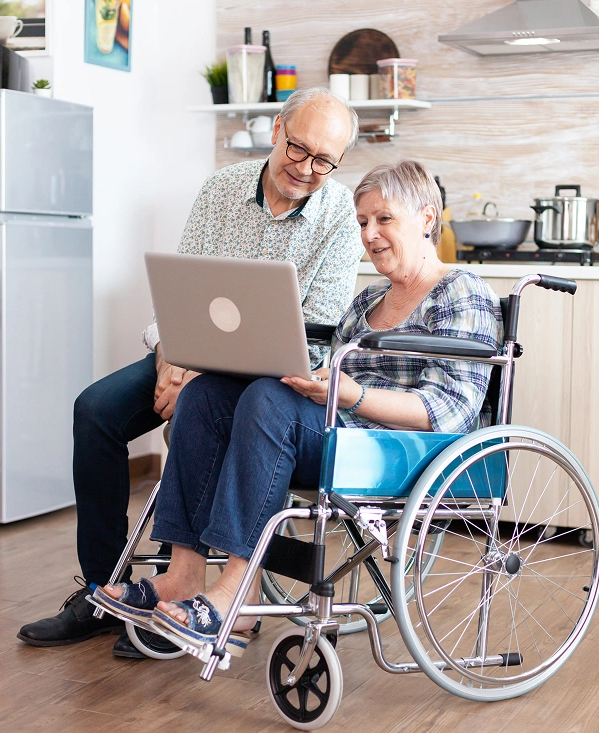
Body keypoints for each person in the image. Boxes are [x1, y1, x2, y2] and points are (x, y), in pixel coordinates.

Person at [94, 160, 503, 653]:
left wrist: (353, 395)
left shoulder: (462, 292)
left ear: (427, 217)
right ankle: (183, 577)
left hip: (403, 448)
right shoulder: (366, 301)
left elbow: (451, 409)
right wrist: (316, 382)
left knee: (269, 401)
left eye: (384, 219)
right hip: (340, 432)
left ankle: (233, 595)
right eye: (362, 222)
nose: (369, 235)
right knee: (206, 395)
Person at [18, 87, 364, 653]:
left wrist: (204, 376)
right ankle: (102, 585)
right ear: (277, 130)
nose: (306, 169)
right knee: (96, 411)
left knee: (217, 408)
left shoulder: (339, 219)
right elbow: (180, 293)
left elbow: (314, 336)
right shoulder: (222, 189)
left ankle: (196, 592)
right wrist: (171, 359)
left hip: (266, 380)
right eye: (299, 149)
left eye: (324, 161)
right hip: (186, 355)